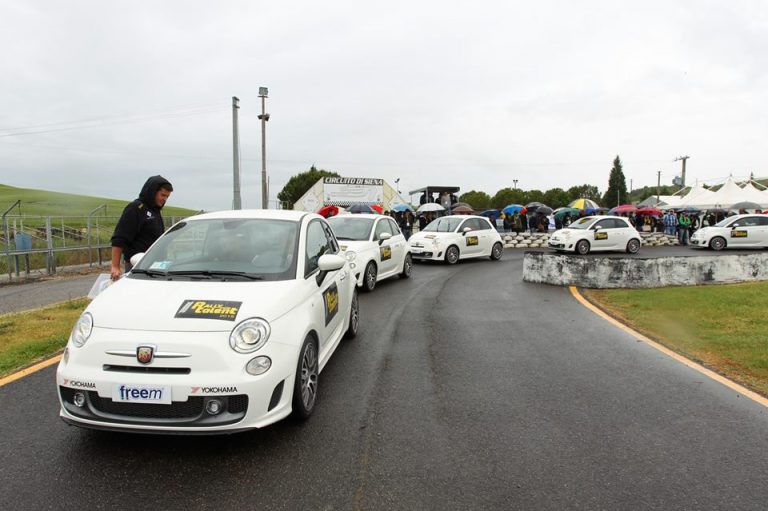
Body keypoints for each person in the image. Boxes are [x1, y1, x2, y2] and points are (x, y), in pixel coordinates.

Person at [110, 175, 173, 280]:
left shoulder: (155, 211)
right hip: (137, 265)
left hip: (156, 266)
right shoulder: (135, 209)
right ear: (153, 191)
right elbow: (119, 239)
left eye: (167, 197)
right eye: (163, 195)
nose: (164, 199)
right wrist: (115, 266)